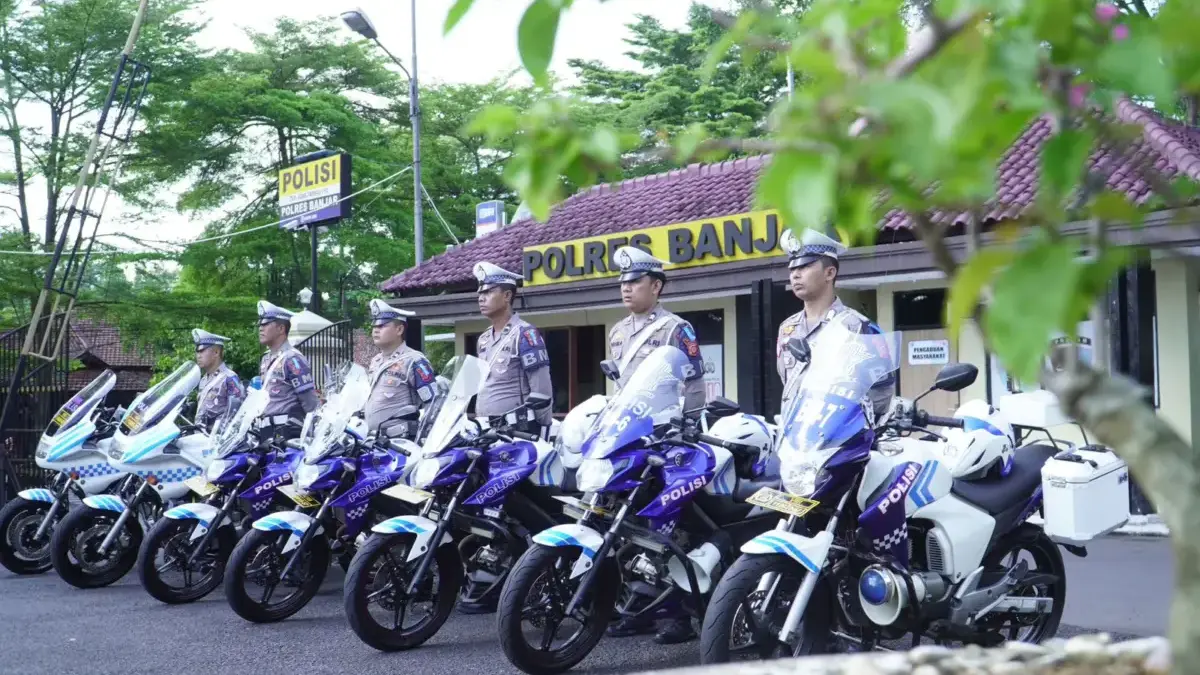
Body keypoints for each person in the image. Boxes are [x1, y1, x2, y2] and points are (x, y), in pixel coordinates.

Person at [605, 246, 705, 646]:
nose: (626, 289)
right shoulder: (617, 332)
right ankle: (638, 606)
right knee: (624, 523)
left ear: (656, 286)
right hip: (628, 438)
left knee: (667, 524)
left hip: (667, 439)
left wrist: (687, 426)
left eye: (634, 282)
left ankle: (676, 615)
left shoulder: (675, 329)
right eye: (623, 283)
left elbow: (694, 383)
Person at [462, 262, 553, 615]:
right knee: (488, 506)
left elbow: (542, 392)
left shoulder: (525, 335)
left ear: (508, 295)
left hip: (518, 438)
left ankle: (523, 571)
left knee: (516, 508)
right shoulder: (485, 339)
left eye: (488, 291)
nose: (481, 297)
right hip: (489, 436)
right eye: (480, 292)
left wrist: (536, 431)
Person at [776, 228, 894, 419]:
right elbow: (788, 384)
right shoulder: (787, 329)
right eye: (792, 268)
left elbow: (881, 395)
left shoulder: (857, 327)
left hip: (841, 440)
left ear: (829, 273)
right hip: (796, 437)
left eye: (804, 267)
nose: (795, 275)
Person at [364, 299, 437, 435]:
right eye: (374, 326)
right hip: (373, 440)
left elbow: (433, 403)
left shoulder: (414, 360)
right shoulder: (376, 361)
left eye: (382, 326)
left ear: (399, 329)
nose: (375, 330)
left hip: (400, 441)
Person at [256, 300, 319, 439]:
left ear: (281, 328)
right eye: (260, 324)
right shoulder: (266, 359)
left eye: (266, 324)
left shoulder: (293, 359)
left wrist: (314, 431)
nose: (260, 328)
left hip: (286, 432)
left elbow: (310, 402)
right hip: (266, 430)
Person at [192, 329, 246, 432]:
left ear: (216, 352)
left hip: (217, 441)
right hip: (201, 437)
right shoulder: (204, 379)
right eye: (197, 351)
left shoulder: (229, 378)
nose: (198, 355)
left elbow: (236, 414)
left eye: (202, 351)